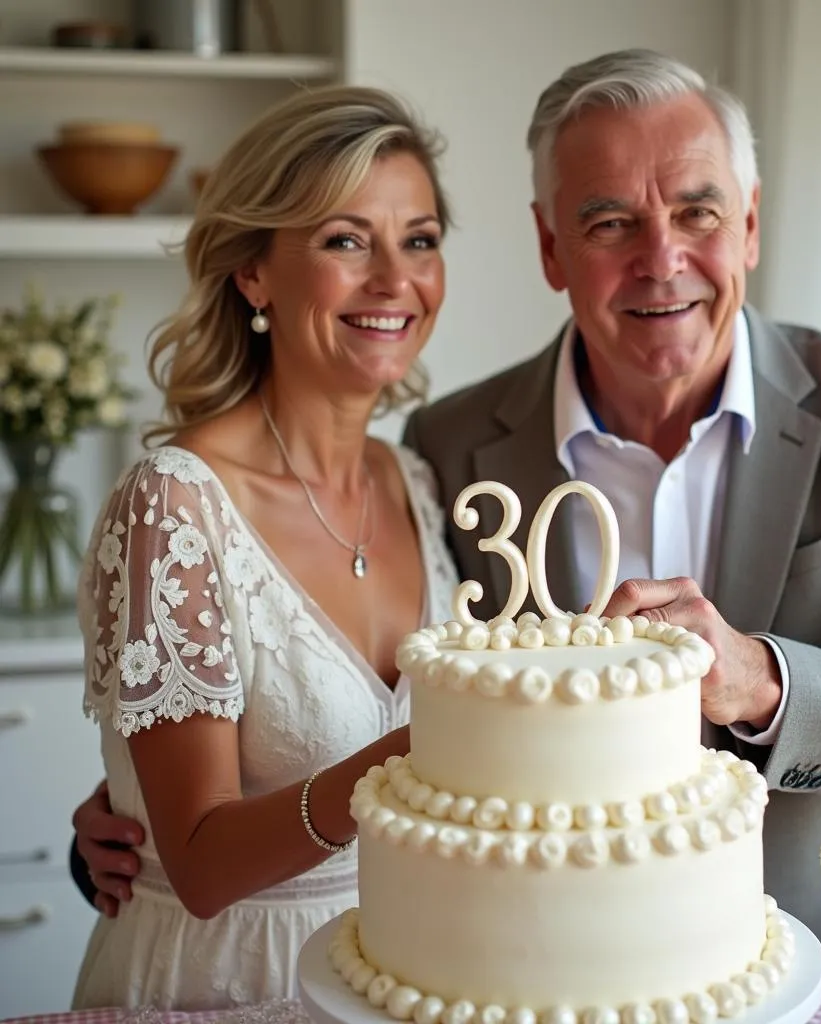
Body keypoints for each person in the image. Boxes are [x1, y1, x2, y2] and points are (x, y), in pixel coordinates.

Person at [72, 49, 821, 1024]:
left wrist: (754, 675)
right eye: (609, 222)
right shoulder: (451, 450)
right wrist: (139, 816)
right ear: (550, 248)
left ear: (749, 224)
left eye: (697, 212)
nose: (660, 257)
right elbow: (278, 717)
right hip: (500, 983)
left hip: (815, 972)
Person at [67, 83, 460, 1010]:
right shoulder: (171, 504)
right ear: (253, 272)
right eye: (344, 240)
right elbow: (198, 865)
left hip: (396, 977)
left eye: (421, 239)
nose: (395, 280)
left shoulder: (418, 485)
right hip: (221, 981)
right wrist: (432, 750)